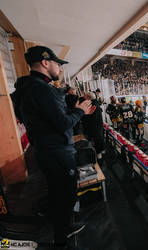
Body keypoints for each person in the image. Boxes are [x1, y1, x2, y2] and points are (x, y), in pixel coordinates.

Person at [11, 46, 95, 250]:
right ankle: (62, 238)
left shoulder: (25, 88)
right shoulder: (42, 89)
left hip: (45, 150)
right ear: (45, 63)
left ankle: (62, 228)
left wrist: (73, 112)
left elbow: (37, 118)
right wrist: (80, 112)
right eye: (57, 63)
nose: (59, 68)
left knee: (57, 193)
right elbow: (63, 123)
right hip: (57, 152)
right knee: (65, 196)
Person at [81, 92, 104, 159]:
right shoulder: (94, 104)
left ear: (89, 98)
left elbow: (91, 118)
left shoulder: (93, 105)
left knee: (97, 139)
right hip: (96, 126)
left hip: (95, 126)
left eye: (85, 97)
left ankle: (98, 153)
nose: (84, 98)